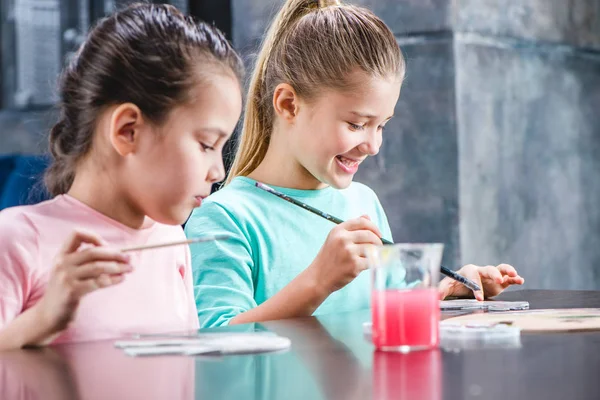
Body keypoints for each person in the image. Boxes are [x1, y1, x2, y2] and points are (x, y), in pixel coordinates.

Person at [185, 0, 524, 328]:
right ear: (288, 105)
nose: (374, 146)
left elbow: (389, 304)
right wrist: (317, 282)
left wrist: (452, 290)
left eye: (382, 126)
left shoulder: (364, 205)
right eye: (356, 124)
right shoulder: (224, 219)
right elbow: (217, 340)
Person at [0, 3, 243, 350]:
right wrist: (41, 321)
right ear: (128, 130)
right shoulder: (18, 238)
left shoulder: (172, 241)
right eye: (206, 144)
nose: (218, 171)